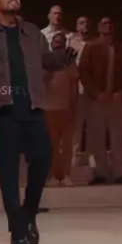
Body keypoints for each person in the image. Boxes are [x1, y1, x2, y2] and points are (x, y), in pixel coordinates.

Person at [0, 0, 76, 244]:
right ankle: (18, 230)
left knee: (44, 158)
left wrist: (68, 55)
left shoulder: (32, 32)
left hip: (33, 104)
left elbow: (48, 61)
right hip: (2, 107)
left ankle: (28, 214)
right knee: (9, 169)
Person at [80, 17, 122, 185]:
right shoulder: (91, 47)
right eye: (104, 23)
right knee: (97, 138)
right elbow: (84, 72)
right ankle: (101, 173)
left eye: (110, 23)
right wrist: (95, 93)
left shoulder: (121, 48)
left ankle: (118, 173)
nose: (107, 26)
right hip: (96, 100)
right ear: (98, 27)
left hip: (115, 100)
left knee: (117, 138)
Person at [44, 32, 79, 186]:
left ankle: (65, 175)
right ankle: (54, 175)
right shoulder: (45, 61)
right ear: (52, 44)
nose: (58, 45)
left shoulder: (70, 63)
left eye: (61, 42)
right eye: (56, 42)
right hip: (48, 108)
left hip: (65, 108)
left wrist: (73, 106)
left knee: (66, 145)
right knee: (52, 145)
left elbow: (74, 86)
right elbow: (39, 81)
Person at [70, 16, 92, 167]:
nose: (85, 25)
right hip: (76, 90)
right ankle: (74, 159)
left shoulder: (96, 43)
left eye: (87, 23)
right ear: (77, 26)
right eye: (82, 23)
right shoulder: (71, 43)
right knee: (76, 126)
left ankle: (93, 158)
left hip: (92, 90)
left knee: (93, 126)